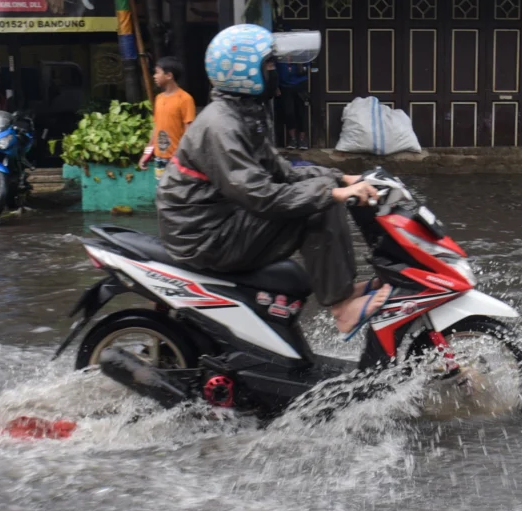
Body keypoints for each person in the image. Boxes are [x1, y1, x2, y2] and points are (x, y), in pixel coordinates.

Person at [156, 25, 391, 335]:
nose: (274, 71)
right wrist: (332, 192)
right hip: (204, 238)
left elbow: (284, 172)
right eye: (268, 64)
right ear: (243, 71)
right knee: (319, 204)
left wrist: (345, 178)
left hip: (220, 221)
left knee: (325, 192)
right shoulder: (220, 125)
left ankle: (342, 290)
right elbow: (261, 195)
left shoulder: (243, 113)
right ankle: (342, 306)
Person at [139, 57, 197, 176]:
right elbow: (157, 127)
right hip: (159, 157)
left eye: (157, 72)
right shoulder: (158, 98)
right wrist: (147, 153)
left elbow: (188, 131)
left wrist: (182, 157)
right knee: (162, 190)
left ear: (169, 75)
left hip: (177, 159)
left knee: (176, 192)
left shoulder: (185, 99)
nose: (154, 76)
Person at [275, 59, 310, 149]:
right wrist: (276, 86)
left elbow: (308, 66)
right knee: (288, 113)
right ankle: (293, 139)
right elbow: (275, 72)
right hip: (285, 87)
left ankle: (302, 140)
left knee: (301, 112)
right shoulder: (280, 59)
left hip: (299, 85)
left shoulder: (300, 56)